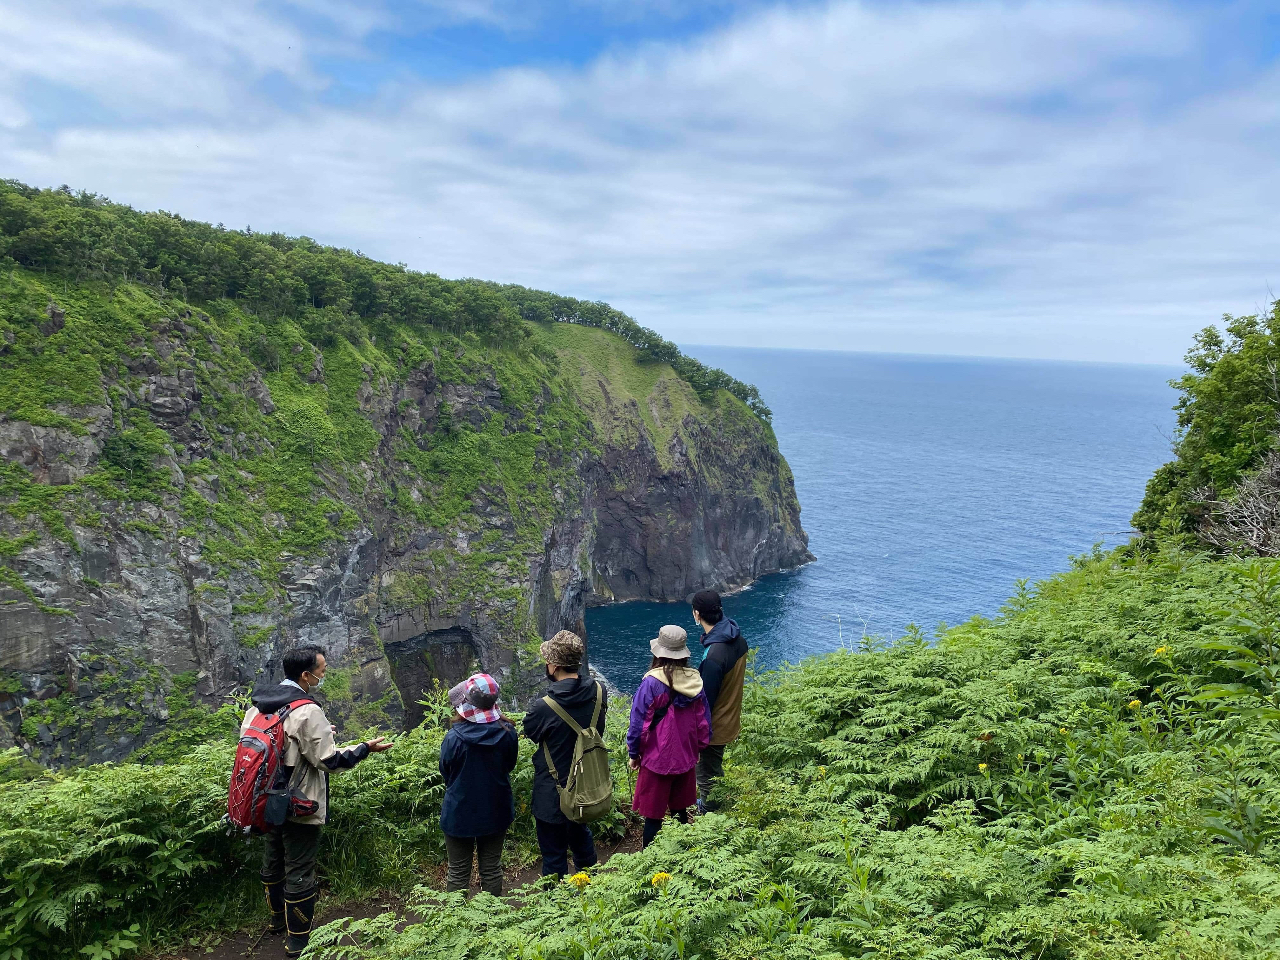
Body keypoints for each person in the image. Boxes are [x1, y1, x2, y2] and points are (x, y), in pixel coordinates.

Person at [243, 644, 392, 958]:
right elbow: (328, 761)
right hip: (298, 802)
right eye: (321, 672)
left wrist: (321, 733)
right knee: (299, 868)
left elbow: (279, 744)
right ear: (306, 675)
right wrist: (365, 747)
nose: (324, 676)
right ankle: (298, 941)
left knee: (273, 861)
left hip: (265, 800)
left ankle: (275, 922)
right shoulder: (307, 710)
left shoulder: (259, 706)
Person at [522, 629, 607, 879]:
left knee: (553, 855)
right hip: (586, 784)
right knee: (582, 842)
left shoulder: (544, 707)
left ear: (555, 666)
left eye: (548, 661)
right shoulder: (599, 692)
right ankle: (590, 893)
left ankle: (556, 907)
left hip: (553, 790)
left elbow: (531, 731)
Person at [627, 625, 711, 847]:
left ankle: (649, 862)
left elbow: (638, 724)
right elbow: (703, 721)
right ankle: (681, 857)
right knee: (680, 811)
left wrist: (634, 753)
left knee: (653, 817)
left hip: (656, 760)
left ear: (658, 653)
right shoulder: (695, 682)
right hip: (685, 756)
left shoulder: (651, 684)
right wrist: (699, 748)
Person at [439, 673, 518, 897]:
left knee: (458, 872)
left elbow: (446, 771)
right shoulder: (508, 732)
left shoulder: (453, 739)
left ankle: (457, 924)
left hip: (459, 811)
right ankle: (490, 921)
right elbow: (509, 765)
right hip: (496, 807)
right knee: (492, 868)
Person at [693, 590, 747, 813]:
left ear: (697, 615)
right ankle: (716, 801)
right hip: (730, 715)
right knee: (714, 766)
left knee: (706, 771)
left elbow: (705, 701)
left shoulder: (714, 655)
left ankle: (710, 811)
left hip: (715, 725)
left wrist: (696, 733)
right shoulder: (736, 638)